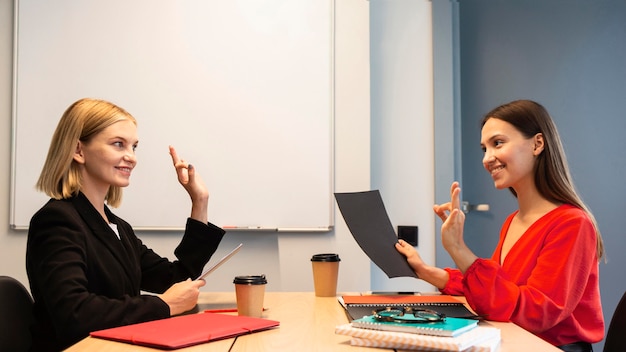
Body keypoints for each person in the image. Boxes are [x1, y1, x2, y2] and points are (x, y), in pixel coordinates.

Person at [396, 100, 605, 351]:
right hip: (513, 341)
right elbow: (500, 293)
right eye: (484, 148)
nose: (487, 158)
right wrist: (429, 272)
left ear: (537, 144)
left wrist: (458, 249)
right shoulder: (512, 221)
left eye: (498, 143)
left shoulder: (572, 223)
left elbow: (538, 313)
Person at [26, 98, 226, 351]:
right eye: (118, 144)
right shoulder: (56, 220)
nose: (131, 157)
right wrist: (164, 305)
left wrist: (200, 201)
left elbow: (176, 278)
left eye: (134, 147)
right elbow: (74, 314)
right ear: (78, 151)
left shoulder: (116, 226)